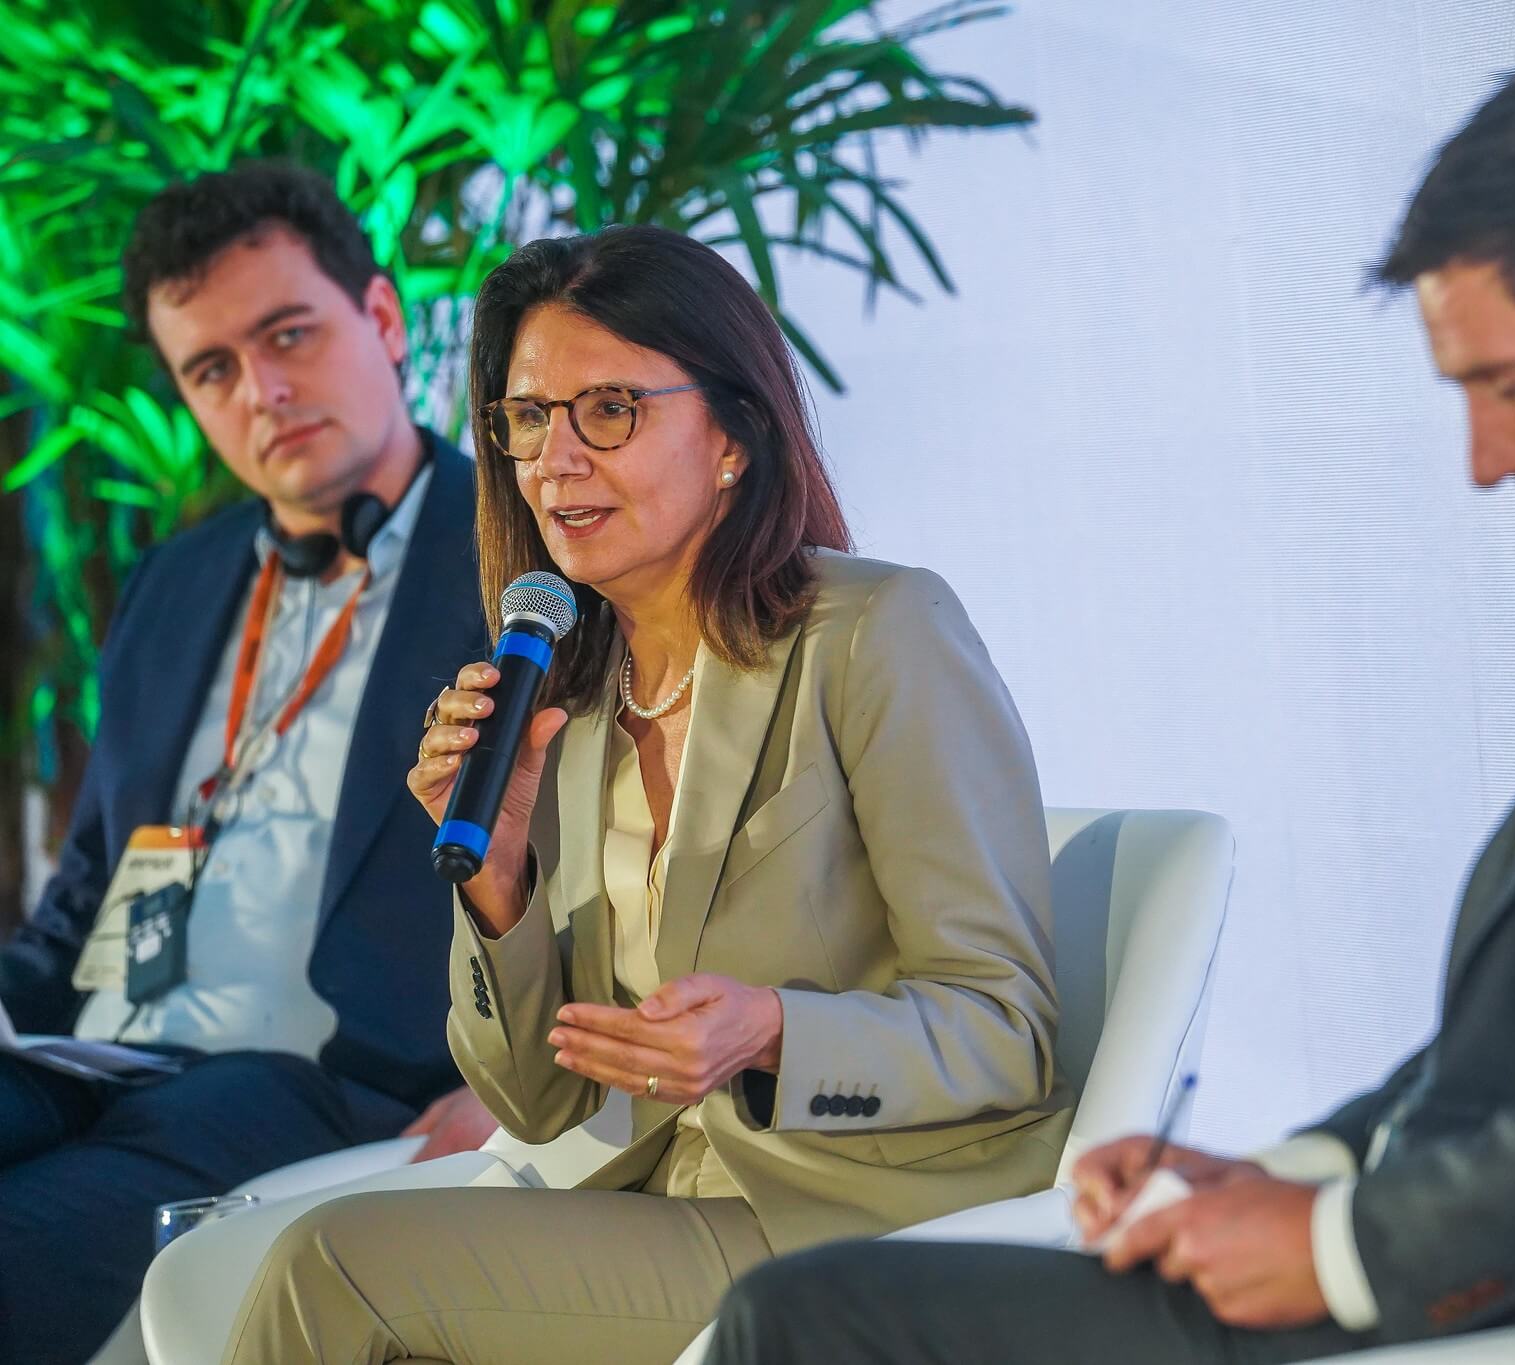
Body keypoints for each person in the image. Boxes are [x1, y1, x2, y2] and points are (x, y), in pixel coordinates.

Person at [701, 41, 1515, 1365]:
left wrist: (1340, 1243)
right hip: (1468, 1254)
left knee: (802, 1321)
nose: (1485, 458)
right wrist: (1277, 1173)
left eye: (1513, 387)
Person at [223, 223, 1075, 1363]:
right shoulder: (568, 694)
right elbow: (535, 1102)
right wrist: (502, 880)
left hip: (855, 1221)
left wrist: (772, 1031)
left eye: (610, 410)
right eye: (527, 419)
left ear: (734, 435)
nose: (554, 461)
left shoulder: (876, 633)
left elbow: (1004, 1034)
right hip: (648, 1201)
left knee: (331, 1268)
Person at [0, 162, 503, 1363]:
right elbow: (85, 891)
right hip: (88, 1051)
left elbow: (629, 881)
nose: (261, 392)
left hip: (304, 1077)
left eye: (289, 335)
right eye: (211, 370)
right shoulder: (175, 582)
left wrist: (532, 1076)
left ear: (381, 319)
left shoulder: (519, 566)